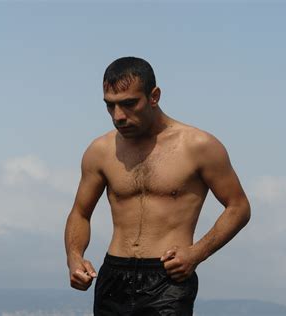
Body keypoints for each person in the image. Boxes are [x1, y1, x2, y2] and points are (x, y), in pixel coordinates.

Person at [64, 56, 251, 316]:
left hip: (168, 279)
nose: (118, 116)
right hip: (113, 277)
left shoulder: (198, 146)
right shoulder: (101, 151)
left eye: (129, 104)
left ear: (154, 96)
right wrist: (74, 257)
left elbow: (239, 207)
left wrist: (196, 253)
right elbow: (80, 213)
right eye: (110, 106)